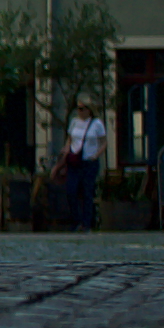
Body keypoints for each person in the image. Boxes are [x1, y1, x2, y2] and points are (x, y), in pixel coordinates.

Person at [58, 92, 110, 230]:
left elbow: (104, 142)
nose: (79, 111)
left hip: (89, 162)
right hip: (75, 161)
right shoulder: (74, 122)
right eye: (78, 108)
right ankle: (76, 220)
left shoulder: (96, 124)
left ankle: (87, 223)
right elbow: (70, 138)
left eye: (82, 109)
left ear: (89, 110)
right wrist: (67, 148)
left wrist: (96, 155)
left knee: (87, 192)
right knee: (71, 191)